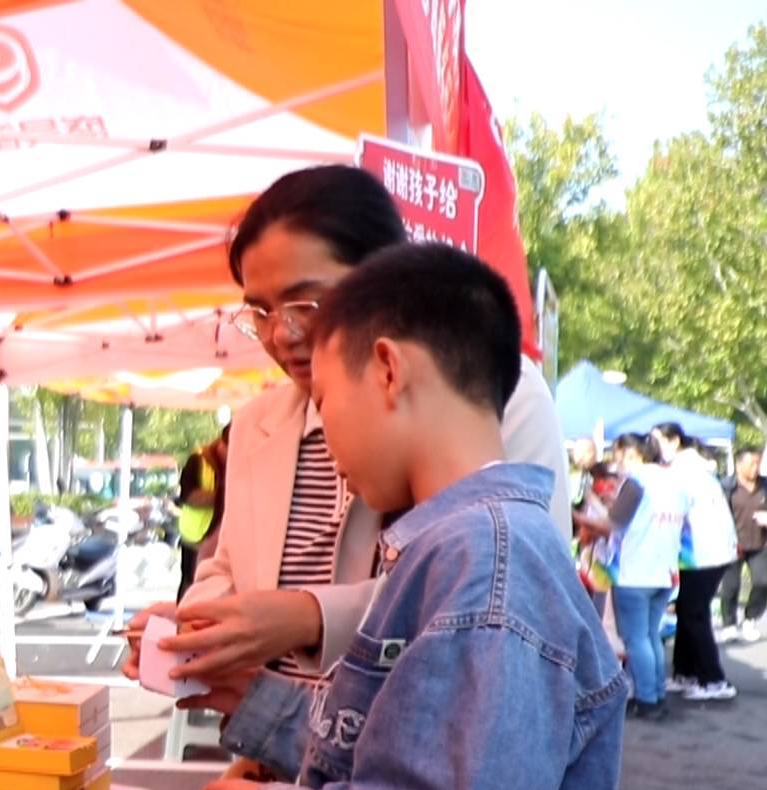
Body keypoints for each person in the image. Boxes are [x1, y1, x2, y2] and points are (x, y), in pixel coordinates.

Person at [201, 244, 626, 790]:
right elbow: (400, 741)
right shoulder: (464, 551)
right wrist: (260, 708)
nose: (323, 437)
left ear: (388, 370)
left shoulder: (488, 564)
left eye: (326, 403)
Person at [123, 165, 570, 704]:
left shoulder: (487, 393)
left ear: (384, 277)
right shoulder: (257, 423)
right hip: (282, 763)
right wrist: (200, 623)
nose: (280, 334)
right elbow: (229, 569)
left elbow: (503, 590)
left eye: (305, 303)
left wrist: (308, 616)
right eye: (259, 312)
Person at [585, 434, 688, 719]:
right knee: (650, 636)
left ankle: (646, 698)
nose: (617, 463)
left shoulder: (637, 481)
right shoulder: (675, 483)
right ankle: (655, 694)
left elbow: (613, 523)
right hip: (664, 571)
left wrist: (581, 513)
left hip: (635, 572)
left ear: (631, 454)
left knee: (636, 639)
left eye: (619, 455)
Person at [662, 430, 738, 700]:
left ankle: (714, 680)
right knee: (686, 610)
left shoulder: (684, 472)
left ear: (674, 442)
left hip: (703, 554)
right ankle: (685, 672)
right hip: (705, 553)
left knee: (694, 613)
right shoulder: (695, 469)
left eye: (658, 440)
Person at [174, 426, 230, 601]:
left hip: (221, 539)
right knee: (191, 587)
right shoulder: (198, 461)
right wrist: (223, 495)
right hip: (195, 538)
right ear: (222, 444)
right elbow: (188, 496)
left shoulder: (239, 463)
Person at [720, 449, 767, 642]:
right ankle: (729, 624)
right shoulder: (727, 486)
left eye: (758, 463)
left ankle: (751, 618)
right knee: (730, 586)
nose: (755, 468)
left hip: (760, 543)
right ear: (739, 465)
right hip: (733, 544)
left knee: (762, 582)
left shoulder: (765, 485)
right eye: (751, 464)